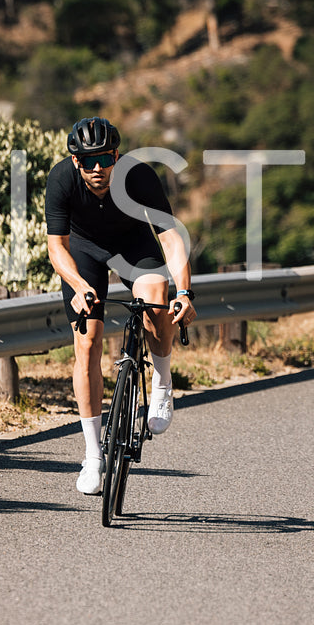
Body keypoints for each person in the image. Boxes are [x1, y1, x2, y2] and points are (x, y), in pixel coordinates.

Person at [45, 116, 196, 495]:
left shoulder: (138, 175)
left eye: (106, 159)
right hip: (84, 252)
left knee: (156, 300)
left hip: (132, 245)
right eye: (89, 161)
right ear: (76, 161)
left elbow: (171, 236)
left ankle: (162, 380)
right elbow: (56, 246)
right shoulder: (61, 179)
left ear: (116, 154)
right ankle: (93, 455)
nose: (99, 169)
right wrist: (78, 285)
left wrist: (185, 291)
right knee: (87, 342)